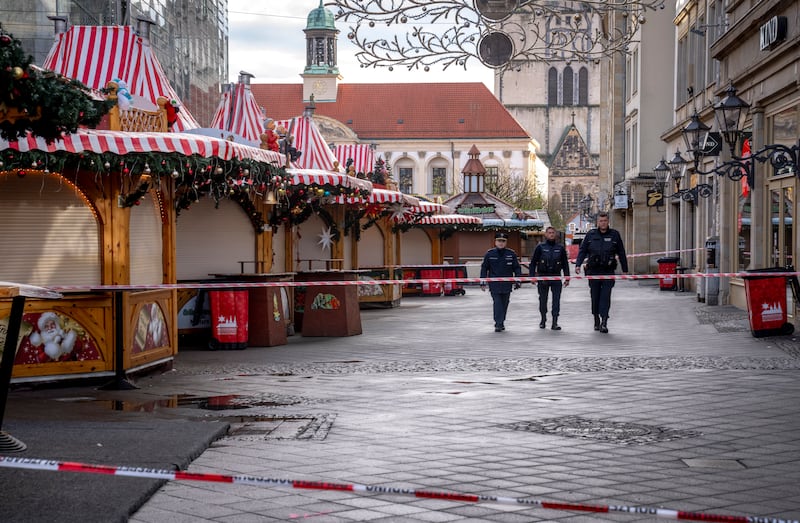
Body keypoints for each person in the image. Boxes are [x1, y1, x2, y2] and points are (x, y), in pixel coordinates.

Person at [575, 212, 628, 333]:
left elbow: (621, 252)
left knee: (605, 296)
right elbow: (583, 250)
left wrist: (625, 269)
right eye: (601, 221)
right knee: (595, 296)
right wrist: (578, 264)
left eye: (605, 221)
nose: (603, 223)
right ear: (597, 222)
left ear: (608, 221)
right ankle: (596, 318)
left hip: (608, 271)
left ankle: (604, 321)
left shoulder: (614, 235)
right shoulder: (591, 234)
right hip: (594, 271)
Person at [480, 231, 522, 332]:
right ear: (495, 242)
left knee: (505, 303)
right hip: (494, 284)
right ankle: (498, 323)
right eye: (499, 241)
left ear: (506, 242)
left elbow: (516, 268)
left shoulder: (511, 254)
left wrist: (518, 280)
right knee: (497, 303)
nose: (501, 243)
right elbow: (484, 268)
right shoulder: (489, 254)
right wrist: (482, 282)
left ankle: (501, 321)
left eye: (503, 241)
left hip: (507, 284)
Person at [530, 226, 570, 330]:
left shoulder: (560, 248)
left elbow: (565, 264)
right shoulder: (540, 247)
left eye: (553, 232)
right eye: (549, 233)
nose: (551, 234)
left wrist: (567, 277)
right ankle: (543, 320)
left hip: (556, 276)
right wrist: (532, 277)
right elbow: (533, 262)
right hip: (543, 276)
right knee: (543, 300)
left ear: (555, 234)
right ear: (546, 234)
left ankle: (555, 322)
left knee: (556, 300)